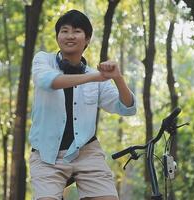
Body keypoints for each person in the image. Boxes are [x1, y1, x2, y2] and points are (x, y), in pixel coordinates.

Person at [29, 9, 137, 200]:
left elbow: (126, 108)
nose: (70, 36)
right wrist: (96, 77)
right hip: (46, 155)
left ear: (87, 39)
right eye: (64, 31)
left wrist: (117, 77)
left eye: (77, 31)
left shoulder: (97, 77)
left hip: (87, 153)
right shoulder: (43, 60)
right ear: (57, 37)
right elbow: (49, 81)